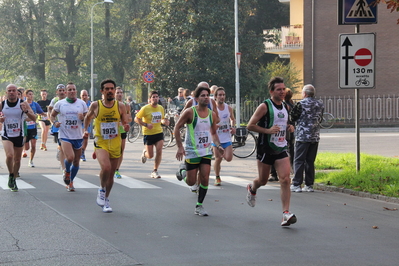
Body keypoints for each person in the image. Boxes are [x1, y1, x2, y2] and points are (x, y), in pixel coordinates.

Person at [245, 77, 297, 226]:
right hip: (265, 148)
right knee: (263, 180)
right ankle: (252, 188)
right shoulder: (264, 106)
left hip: (281, 147)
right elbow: (250, 125)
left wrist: (290, 127)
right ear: (271, 91)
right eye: (279, 89)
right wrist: (267, 130)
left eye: (284, 89)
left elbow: (285, 122)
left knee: (285, 179)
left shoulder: (286, 107)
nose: (282, 92)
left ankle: (286, 214)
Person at [174, 86, 224, 216]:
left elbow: (213, 132)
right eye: (203, 95)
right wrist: (180, 147)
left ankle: (199, 205)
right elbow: (177, 128)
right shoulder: (190, 112)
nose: (206, 97)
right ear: (196, 98)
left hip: (206, 151)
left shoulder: (212, 114)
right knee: (191, 182)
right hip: (192, 151)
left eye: (207, 95)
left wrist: (218, 145)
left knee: (205, 178)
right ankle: (182, 170)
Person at [83, 79, 130, 213]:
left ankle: (106, 199)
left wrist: (125, 127)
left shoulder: (120, 106)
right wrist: (85, 130)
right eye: (107, 89)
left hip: (115, 142)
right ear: (102, 91)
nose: (110, 91)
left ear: (115, 91)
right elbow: (87, 117)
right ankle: (101, 189)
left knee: (111, 175)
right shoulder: (95, 105)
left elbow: (125, 122)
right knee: (106, 167)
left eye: (112, 89)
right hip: (101, 142)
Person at [50, 82, 88, 192]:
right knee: (70, 158)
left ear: (76, 91)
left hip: (77, 135)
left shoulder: (82, 104)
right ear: (66, 92)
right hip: (64, 135)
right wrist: (54, 123)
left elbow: (88, 119)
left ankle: (70, 181)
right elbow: (52, 116)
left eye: (73, 89)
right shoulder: (60, 103)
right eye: (69, 90)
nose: (72, 91)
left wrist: (83, 119)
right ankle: (67, 171)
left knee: (76, 162)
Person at [0, 84, 36, 192]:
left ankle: (13, 177)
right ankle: (11, 175)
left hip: (19, 135)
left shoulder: (23, 104)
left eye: (13, 90)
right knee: (10, 156)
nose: (11, 92)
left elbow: (34, 118)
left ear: (17, 92)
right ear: (6, 93)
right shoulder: (2, 104)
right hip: (6, 134)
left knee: (17, 159)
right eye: (9, 91)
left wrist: (25, 111)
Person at [290, 84, 324, 193]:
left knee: (299, 160)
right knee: (310, 161)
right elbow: (321, 118)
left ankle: (297, 184)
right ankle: (309, 185)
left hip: (302, 136)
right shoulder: (320, 104)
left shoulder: (300, 104)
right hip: (314, 136)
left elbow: (292, 117)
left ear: (304, 93)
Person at [135, 90, 169, 179]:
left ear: (158, 98)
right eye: (153, 97)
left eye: (156, 97)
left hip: (158, 132)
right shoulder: (145, 108)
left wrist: (164, 121)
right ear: (149, 99)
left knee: (159, 150)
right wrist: (146, 124)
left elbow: (161, 118)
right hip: (148, 134)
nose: (155, 98)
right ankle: (144, 153)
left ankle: (155, 170)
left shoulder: (161, 108)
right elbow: (136, 119)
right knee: (150, 156)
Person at [269, 88, 295, 182]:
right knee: (289, 153)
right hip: (288, 134)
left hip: (280, 134)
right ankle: (290, 172)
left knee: (275, 154)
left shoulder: (284, 107)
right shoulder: (292, 106)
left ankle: (274, 174)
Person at [212, 87, 236, 186]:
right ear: (216, 97)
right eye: (220, 95)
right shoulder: (213, 109)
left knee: (229, 158)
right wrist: (214, 126)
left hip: (226, 137)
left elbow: (232, 119)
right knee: (218, 158)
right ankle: (217, 177)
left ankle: (225, 152)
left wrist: (233, 127)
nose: (222, 97)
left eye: (223, 95)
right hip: (216, 138)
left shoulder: (228, 108)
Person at [24, 89, 46, 168]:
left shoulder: (35, 104)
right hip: (25, 128)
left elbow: (41, 112)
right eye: (29, 94)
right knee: (27, 147)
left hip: (33, 127)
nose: (31, 96)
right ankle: (24, 150)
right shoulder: (22, 104)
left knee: (33, 145)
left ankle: (31, 160)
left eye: (32, 94)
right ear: (26, 95)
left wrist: (48, 115)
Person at [114, 87, 132, 179]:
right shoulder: (111, 104)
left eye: (121, 92)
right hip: (113, 131)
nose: (120, 94)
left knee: (121, 151)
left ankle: (116, 169)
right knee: (111, 150)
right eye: (117, 93)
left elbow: (130, 118)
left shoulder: (126, 105)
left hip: (122, 130)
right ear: (114, 94)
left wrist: (124, 120)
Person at [48, 84, 67, 170]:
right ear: (57, 92)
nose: (62, 92)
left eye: (63, 90)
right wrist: (53, 121)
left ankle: (62, 156)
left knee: (65, 145)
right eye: (60, 91)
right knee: (61, 144)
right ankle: (62, 162)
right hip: (57, 126)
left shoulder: (68, 100)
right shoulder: (54, 100)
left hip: (67, 126)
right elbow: (50, 111)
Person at [79, 89, 92, 162]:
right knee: (80, 138)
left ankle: (82, 151)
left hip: (87, 123)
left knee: (86, 138)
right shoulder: (78, 103)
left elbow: (93, 115)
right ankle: (79, 152)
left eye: (85, 95)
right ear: (80, 96)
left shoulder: (90, 104)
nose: (84, 97)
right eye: (83, 95)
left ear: (88, 96)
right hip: (79, 123)